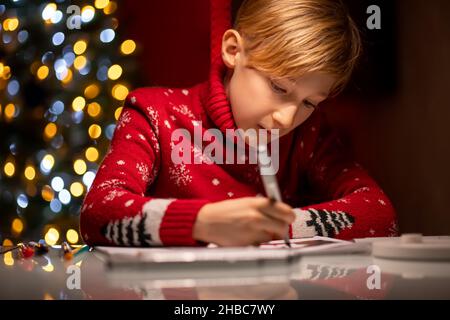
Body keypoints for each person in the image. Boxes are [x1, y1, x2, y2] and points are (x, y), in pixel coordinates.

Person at [80, 0, 398, 247]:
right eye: (279, 88)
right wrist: (200, 222)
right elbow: (99, 212)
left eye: (309, 102)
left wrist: (273, 227)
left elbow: (380, 214)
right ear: (233, 50)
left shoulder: (308, 135)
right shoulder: (155, 114)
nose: (287, 118)